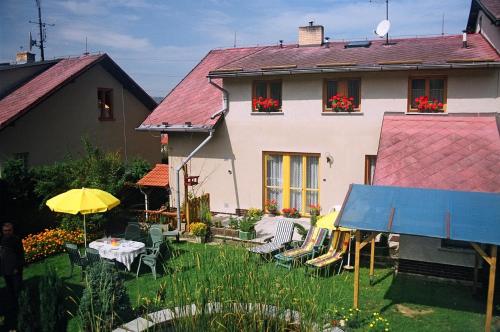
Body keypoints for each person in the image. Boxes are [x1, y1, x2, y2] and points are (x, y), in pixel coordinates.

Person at [0, 222, 24, 331]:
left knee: (17, 288)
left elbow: (20, 255)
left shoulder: (16, 240)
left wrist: (17, 268)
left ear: (12, 230)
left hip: (15, 270)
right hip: (6, 269)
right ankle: (12, 306)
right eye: (5, 231)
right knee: (9, 290)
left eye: (9, 230)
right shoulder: (2, 240)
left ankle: (21, 305)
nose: (7, 232)